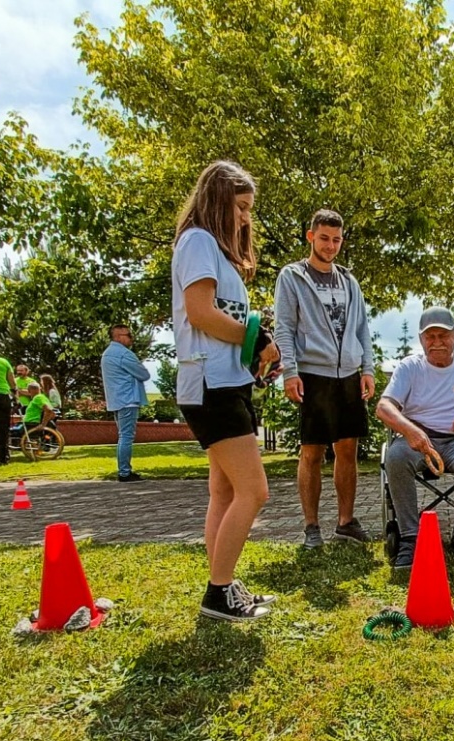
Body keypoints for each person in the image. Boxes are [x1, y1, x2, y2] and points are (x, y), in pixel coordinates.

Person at [172, 160, 279, 621]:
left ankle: (223, 584)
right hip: (209, 384)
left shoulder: (217, 252)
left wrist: (253, 355)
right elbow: (200, 313)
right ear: (217, 200)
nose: (245, 218)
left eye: (248, 209)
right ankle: (219, 593)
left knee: (223, 491)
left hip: (227, 381)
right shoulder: (197, 241)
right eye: (239, 207)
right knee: (254, 492)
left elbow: (225, 322)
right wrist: (257, 341)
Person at [274, 208, 376, 548]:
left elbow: (363, 329)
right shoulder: (292, 277)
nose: (330, 246)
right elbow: (284, 328)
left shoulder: (349, 280)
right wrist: (290, 371)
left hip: (348, 374)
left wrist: (368, 369)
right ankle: (311, 526)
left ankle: (346, 521)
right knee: (311, 453)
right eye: (324, 239)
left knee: (347, 449)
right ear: (310, 237)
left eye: (336, 240)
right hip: (312, 374)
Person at [376, 307, 454, 569]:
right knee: (396, 457)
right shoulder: (409, 367)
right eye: (430, 337)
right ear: (422, 340)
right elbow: (383, 407)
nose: (436, 343)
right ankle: (410, 538)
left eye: (443, 336)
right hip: (418, 439)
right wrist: (410, 430)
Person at [101, 325, 150, 483]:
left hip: (116, 400)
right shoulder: (124, 354)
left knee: (123, 436)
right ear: (119, 336)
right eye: (128, 335)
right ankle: (124, 472)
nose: (131, 338)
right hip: (128, 399)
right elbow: (144, 374)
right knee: (126, 437)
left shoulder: (107, 354)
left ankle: (124, 470)